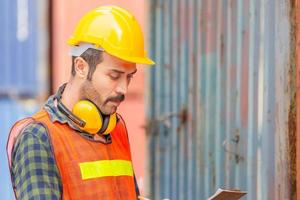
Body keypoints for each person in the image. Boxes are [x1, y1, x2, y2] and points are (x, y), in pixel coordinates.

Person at [7, 5, 154, 200]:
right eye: (114, 75)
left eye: (129, 77)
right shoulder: (38, 138)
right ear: (81, 66)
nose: (123, 89)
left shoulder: (115, 128)